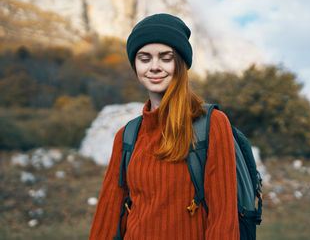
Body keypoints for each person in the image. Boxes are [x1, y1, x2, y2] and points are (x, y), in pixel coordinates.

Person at [89, 13, 239, 240]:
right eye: (144, 58)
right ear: (135, 65)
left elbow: (223, 220)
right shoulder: (127, 136)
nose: (154, 67)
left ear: (181, 63)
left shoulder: (212, 124)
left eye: (165, 57)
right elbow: (107, 216)